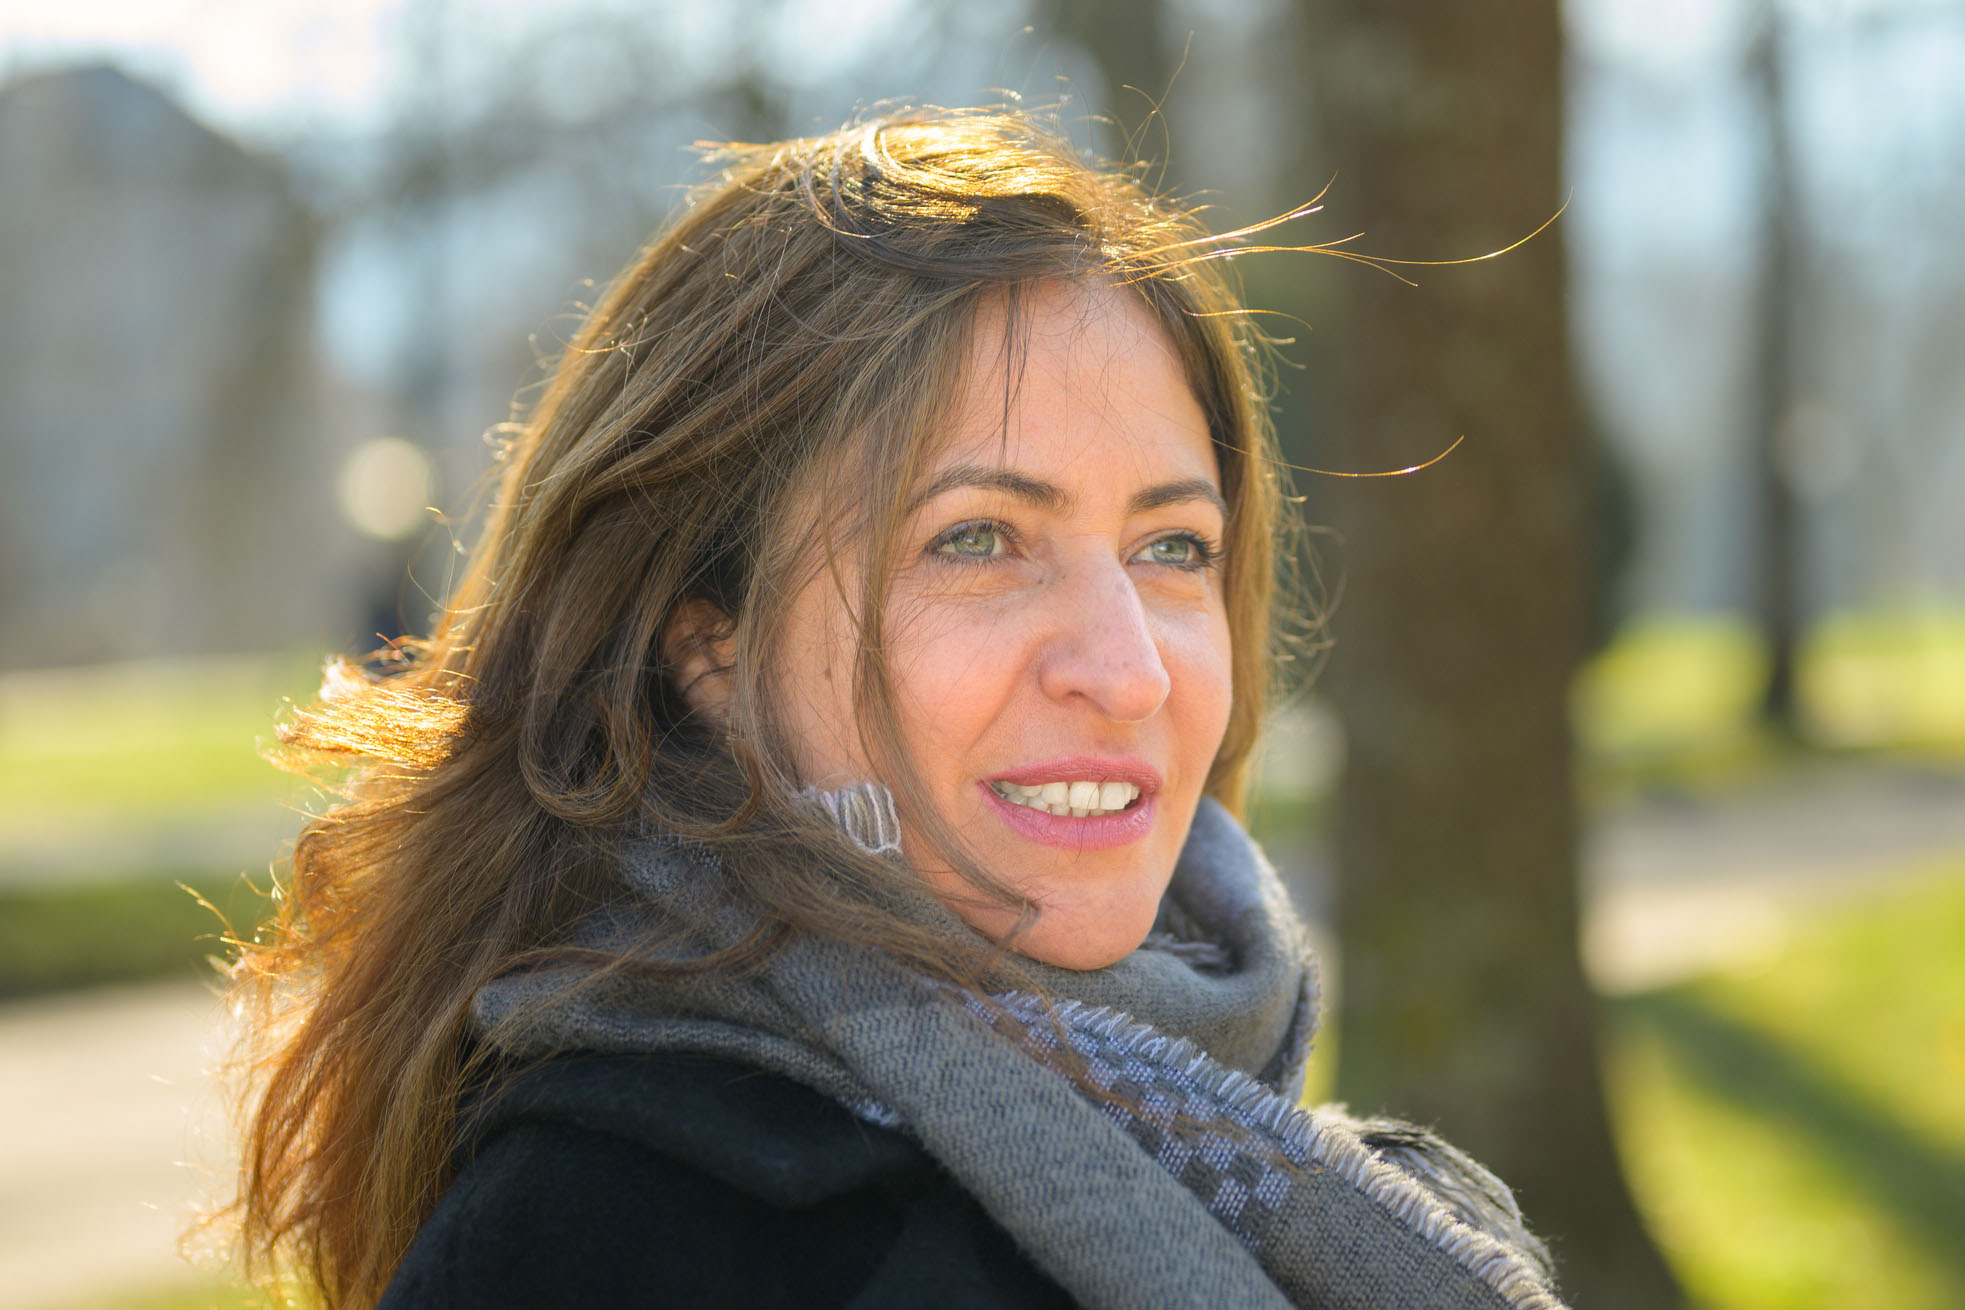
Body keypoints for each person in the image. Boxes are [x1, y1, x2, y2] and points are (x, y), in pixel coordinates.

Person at [225, 106, 1567, 1309]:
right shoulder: (615, 1234)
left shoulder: (1318, 1190)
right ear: (708, 641)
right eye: (979, 539)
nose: (1128, 668)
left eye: (1171, 548)